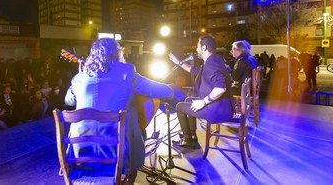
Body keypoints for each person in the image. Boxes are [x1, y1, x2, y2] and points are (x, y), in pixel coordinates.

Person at [65, 38, 174, 184]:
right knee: (136, 124)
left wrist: (78, 77)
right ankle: (129, 176)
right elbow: (156, 89)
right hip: (118, 152)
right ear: (117, 53)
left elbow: (69, 100)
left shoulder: (79, 78)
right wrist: (171, 90)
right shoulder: (127, 72)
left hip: (82, 153)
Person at [169, 34, 234, 148]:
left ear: (204, 48)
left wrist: (203, 102)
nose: (196, 49)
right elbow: (194, 70)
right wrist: (178, 62)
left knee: (179, 106)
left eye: (198, 46)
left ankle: (188, 139)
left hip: (217, 110)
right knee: (188, 99)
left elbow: (220, 88)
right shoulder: (214, 59)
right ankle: (192, 137)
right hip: (221, 106)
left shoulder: (211, 63)